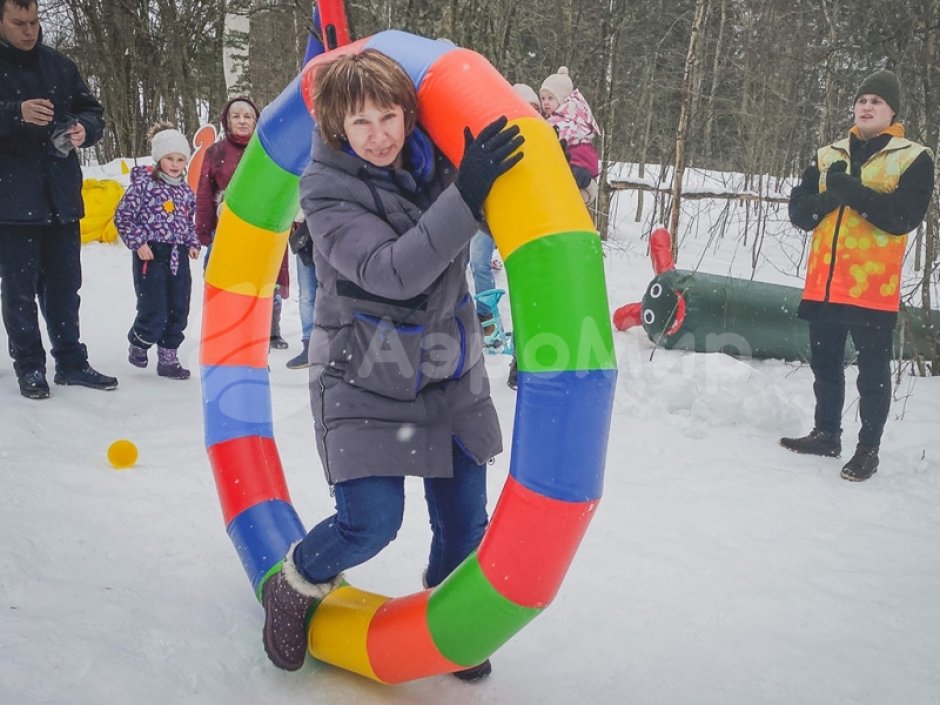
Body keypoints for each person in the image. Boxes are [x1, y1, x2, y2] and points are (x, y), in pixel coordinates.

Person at [260, 49, 524, 679]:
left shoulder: (435, 159)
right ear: (335, 129)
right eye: (360, 123)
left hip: (447, 371)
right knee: (370, 524)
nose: (378, 136)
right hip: (362, 373)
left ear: (409, 114)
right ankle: (295, 583)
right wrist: (466, 196)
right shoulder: (324, 189)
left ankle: (445, 617)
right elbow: (393, 272)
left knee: (465, 528)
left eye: (389, 116)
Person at [782, 69, 934, 482]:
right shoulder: (827, 153)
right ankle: (827, 433)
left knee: (873, 374)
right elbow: (800, 213)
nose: (867, 107)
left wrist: (853, 194)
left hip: (872, 286)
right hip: (824, 283)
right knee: (825, 364)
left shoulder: (913, 157)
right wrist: (833, 195)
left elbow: (904, 218)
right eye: (862, 100)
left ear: (893, 111)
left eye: (877, 101)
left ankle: (868, 449)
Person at [0, 0, 118, 399]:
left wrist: (85, 128)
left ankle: (71, 361)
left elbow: (92, 109)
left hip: (62, 197)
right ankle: (30, 366)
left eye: (33, 21)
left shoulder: (59, 66)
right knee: (19, 291)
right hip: (12, 201)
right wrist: (15, 112)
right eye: (18, 23)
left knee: (66, 286)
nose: (28, 30)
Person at [194, 95, 290, 350]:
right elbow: (204, 191)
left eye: (247, 116)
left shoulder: (267, 148)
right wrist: (203, 230)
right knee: (230, 286)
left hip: (263, 228)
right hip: (228, 230)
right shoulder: (216, 152)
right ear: (227, 120)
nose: (242, 121)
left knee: (266, 282)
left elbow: (281, 187)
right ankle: (227, 333)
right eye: (236, 116)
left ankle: (269, 331)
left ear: (256, 120)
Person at [114, 124, 200, 380]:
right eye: (170, 158)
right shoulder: (143, 186)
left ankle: (168, 358)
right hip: (150, 255)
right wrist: (139, 242)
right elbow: (123, 216)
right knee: (155, 309)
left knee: (178, 308)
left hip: (177, 256)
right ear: (159, 159)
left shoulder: (185, 192)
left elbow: (187, 221)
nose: (175, 164)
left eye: (180, 159)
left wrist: (192, 242)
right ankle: (140, 341)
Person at [539, 66, 601, 203]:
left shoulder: (561, 120)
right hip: (583, 165)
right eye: (542, 98)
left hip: (577, 162)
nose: (545, 103)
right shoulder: (577, 114)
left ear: (562, 99)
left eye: (550, 98)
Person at [285, 210, 316, 369]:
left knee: (329, 292)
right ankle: (310, 345)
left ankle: (330, 344)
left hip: (329, 231)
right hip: (306, 237)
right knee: (307, 294)